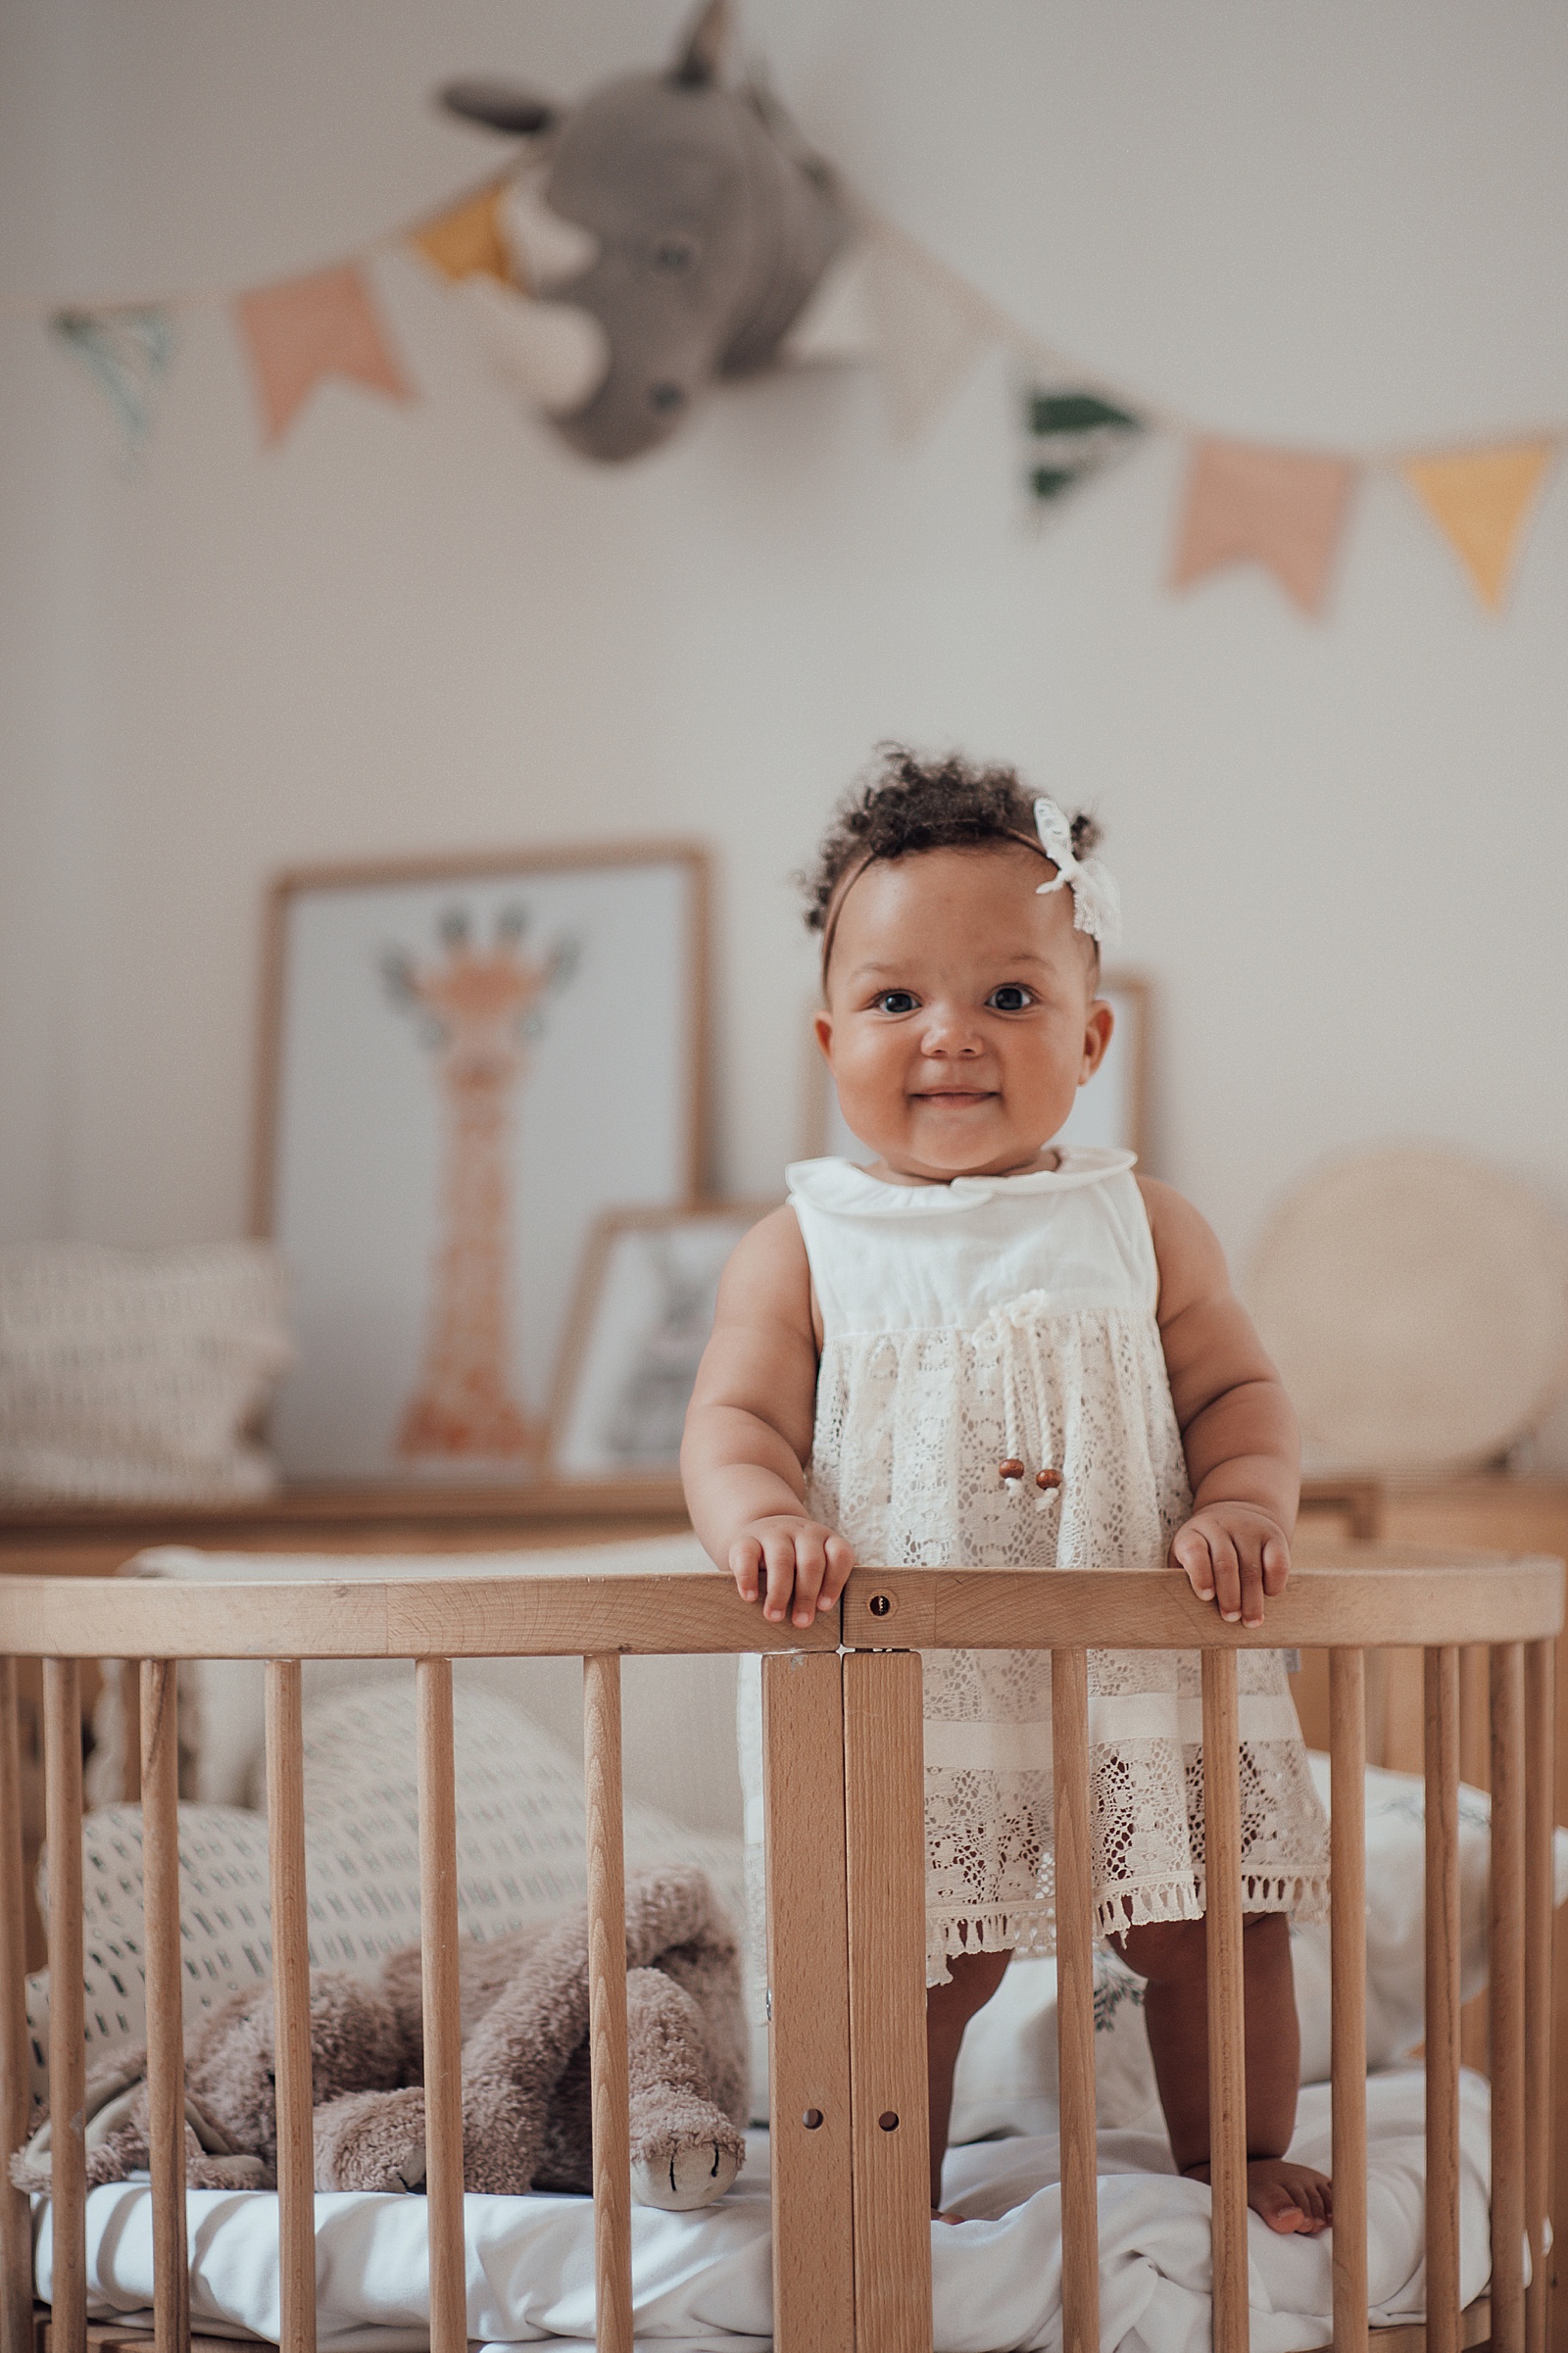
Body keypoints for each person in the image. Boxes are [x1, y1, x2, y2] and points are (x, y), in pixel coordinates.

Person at [681, 748, 1333, 2232]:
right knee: (914, 1954)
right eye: (899, 999)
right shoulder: (807, 1244)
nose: (950, 1036)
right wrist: (758, 1515)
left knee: (1213, 1924)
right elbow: (731, 1419)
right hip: (908, 1668)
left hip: (1143, 1651)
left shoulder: (1141, 1222)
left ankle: (1234, 2158)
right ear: (830, 1032)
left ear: (1092, 1035)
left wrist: (1243, 1500)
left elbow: (1240, 1392)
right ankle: (879, 2210)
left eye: (1010, 997)